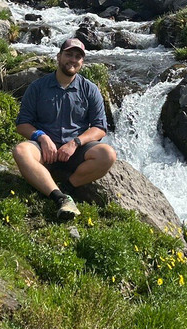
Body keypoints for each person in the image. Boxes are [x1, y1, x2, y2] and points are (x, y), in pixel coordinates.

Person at [12, 38, 116, 220]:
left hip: (76, 151)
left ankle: (67, 187)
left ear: (82, 62)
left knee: (108, 154)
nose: (73, 60)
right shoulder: (37, 87)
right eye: (69, 54)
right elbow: (22, 124)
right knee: (21, 150)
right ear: (59, 57)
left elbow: (100, 128)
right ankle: (59, 197)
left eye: (78, 57)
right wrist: (42, 138)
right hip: (44, 150)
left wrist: (75, 143)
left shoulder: (90, 89)